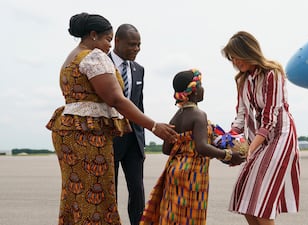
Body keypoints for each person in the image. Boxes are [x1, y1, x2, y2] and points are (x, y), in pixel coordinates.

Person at [46, 12, 176, 225]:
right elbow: (116, 99)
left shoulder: (71, 57)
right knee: (96, 194)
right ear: (94, 35)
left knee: (77, 194)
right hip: (88, 134)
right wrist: (153, 126)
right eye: (108, 39)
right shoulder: (94, 56)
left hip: (70, 131)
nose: (108, 46)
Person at [139, 69, 245, 225]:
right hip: (193, 174)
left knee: (173, 216)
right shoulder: (198, 115)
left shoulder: (176, 116)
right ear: (193, 92)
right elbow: (201, 147)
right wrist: (228, 155)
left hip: (174, 171)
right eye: (200, 85)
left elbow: (166, 150)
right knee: (191, 217)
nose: (203, 89)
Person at [221, 31, 300, 225]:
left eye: (236, 56)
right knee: (244, 201)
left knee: (261, 204)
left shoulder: (273, 73)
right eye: (232, 59)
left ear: (248, 51)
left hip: (279, 136)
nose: (235, 62)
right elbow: (241, 117)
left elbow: (269, 119)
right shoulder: (243, 81)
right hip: (259, 140)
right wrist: (225, 139)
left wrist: (250, 149)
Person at [109, 24, 146, 225]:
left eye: (139, 44)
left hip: (133, 140)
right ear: (117, 41)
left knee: (137, 191)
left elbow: (139, 106)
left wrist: (142, 143)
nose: (137, 48)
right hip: (110, 139)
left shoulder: (139, 69)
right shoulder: (101, 63)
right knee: (109, 191)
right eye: (132, 44)